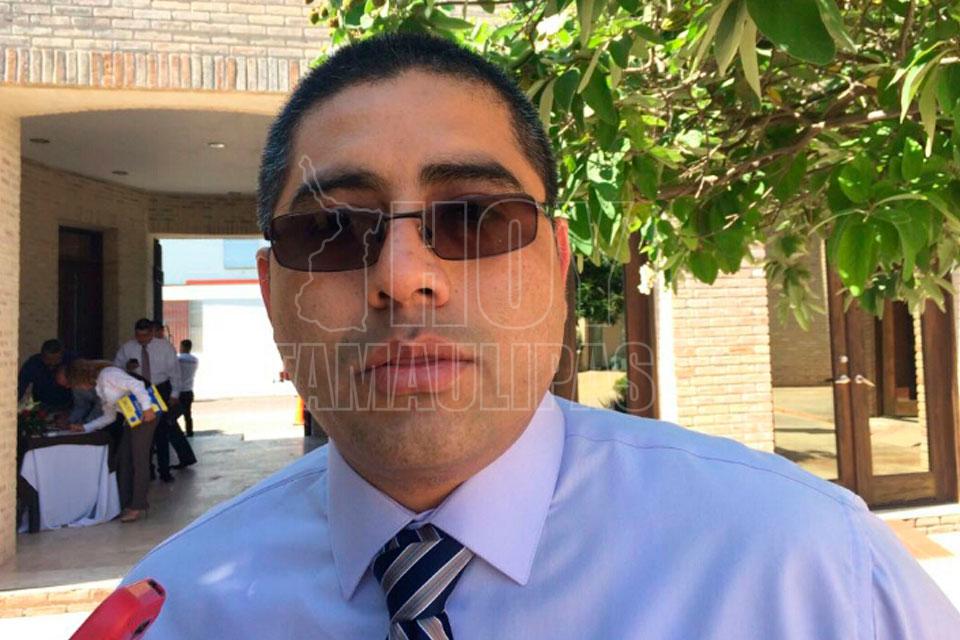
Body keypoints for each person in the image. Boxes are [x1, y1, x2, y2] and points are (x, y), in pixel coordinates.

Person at [122, 34, 959, 638]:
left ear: (558, 265)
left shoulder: (817, 576)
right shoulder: (177, 612)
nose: (403, 276)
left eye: (476, 216)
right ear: (272, 295)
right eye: (334, 229)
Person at [63, 359, 158, 523]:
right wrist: (85, 428)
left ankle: (137, 505)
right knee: (123, 458)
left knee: (139, 460)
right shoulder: (100, 387)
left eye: (74, 384)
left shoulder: (108, 374)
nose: (76, 388)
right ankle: (125, 502)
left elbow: (137, 385)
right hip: (132, 418)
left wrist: (147, 408)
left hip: (145, 416)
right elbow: (109, 417)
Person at [114, 318, 196, 482]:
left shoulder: (164, 347)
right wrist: (127, 368)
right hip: (137, 390)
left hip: (161, 389)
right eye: (138, 336)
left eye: (145, 335)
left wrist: (174, 394)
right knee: (142, 433)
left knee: (162, 432)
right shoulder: (128, 348)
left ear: (152, 333)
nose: (141, 339)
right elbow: (116, 367)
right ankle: (148, 470)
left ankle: (164, 471)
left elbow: (175, 372)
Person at [17, 339, 73, 411]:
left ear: (62, 356)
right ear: (41, 356)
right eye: (48, 359)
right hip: (42, 406)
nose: (52, 363)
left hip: (69, 405)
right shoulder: (33, 364)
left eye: (56, 359)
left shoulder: (71, 361)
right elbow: (20, 386)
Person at [176, 339, 198, 438]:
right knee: (187, 414)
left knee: (174, 414)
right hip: (189, 390)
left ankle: (176, 433)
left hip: (179, 391)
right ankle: (189, 432)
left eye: (180, 346)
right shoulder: (195, 360)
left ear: (183, 347)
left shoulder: (178, 359)